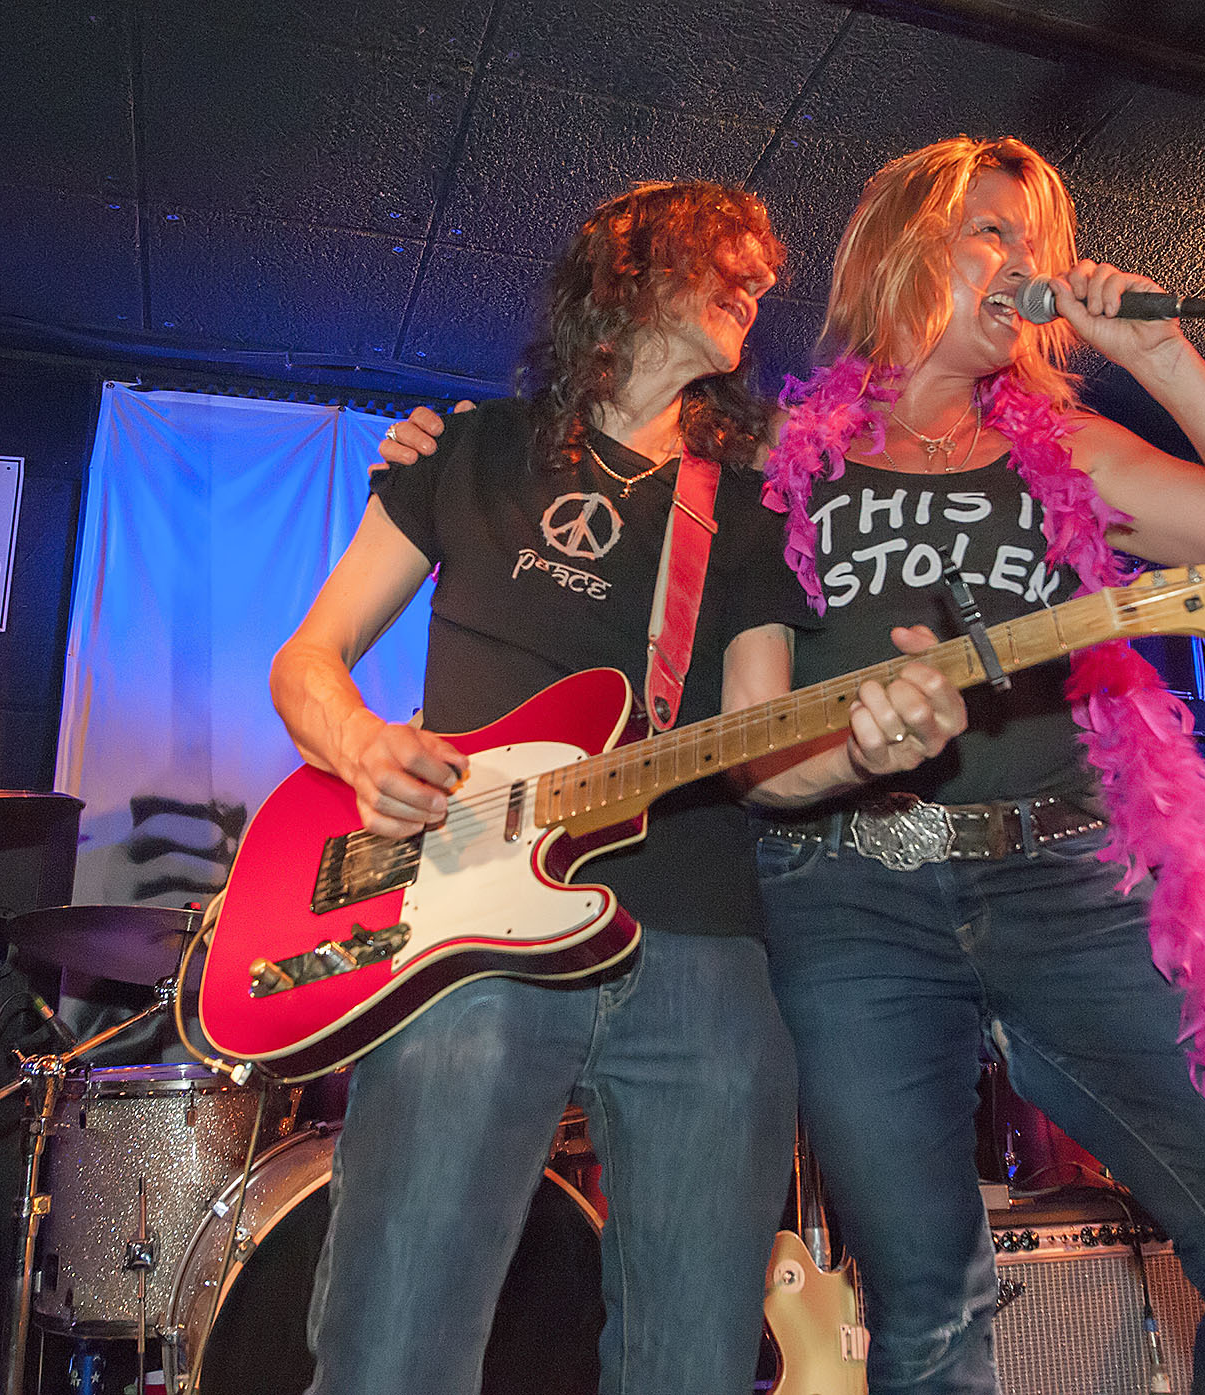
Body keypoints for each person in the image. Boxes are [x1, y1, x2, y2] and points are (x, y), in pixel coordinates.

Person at [725, 136, 1205, 1395]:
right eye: (992, 232)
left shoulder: (1067, 449)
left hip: (1069, 886)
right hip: (846, 903)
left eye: (1035, 246)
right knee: (926, 1312)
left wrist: (1168, 363)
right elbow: (746, 730)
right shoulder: (774, 455)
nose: (1023, 266)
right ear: (901, 245)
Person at [275, 180, 823, 1393]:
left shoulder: (749, 508)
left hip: (696, 938)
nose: (761, 279)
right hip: (472, 934)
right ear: (627, 274)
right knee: (394, 1347)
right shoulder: (467, 452)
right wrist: (362, 746)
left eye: (764, 271)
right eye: (726, 256)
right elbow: (307, 662)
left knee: (695, 1362)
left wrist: (878, 734)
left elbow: (763, 745)